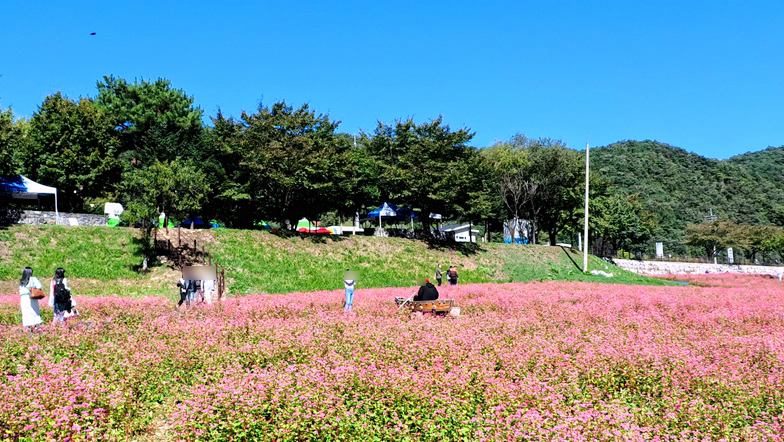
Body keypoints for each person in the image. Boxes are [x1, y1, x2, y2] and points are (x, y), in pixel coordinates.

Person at [19, 267, 43, 332]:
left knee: (26, 313)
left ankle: (27, 328)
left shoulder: (22, 280)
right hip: (31, 298)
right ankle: (36, 328)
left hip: (23, 299)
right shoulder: (33, 279)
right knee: (34, 312)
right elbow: (39, 286)